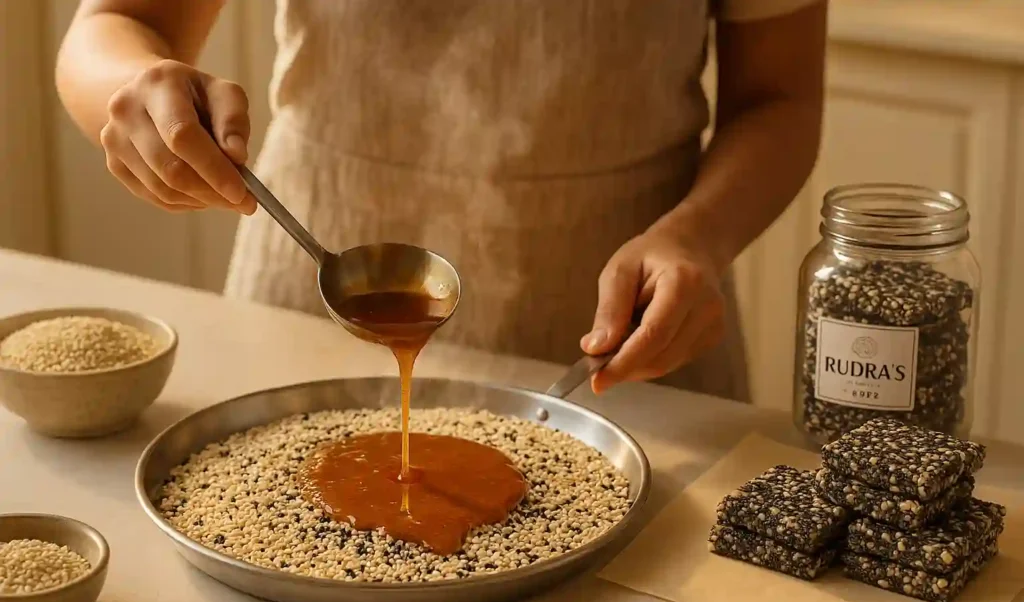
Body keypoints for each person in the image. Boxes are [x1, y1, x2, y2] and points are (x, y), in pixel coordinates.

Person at [56, 0, 826, 399]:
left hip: (627, 345)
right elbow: (115, 25)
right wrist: (133, 88)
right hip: (303, 306)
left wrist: (696, 237)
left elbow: (778, 97)